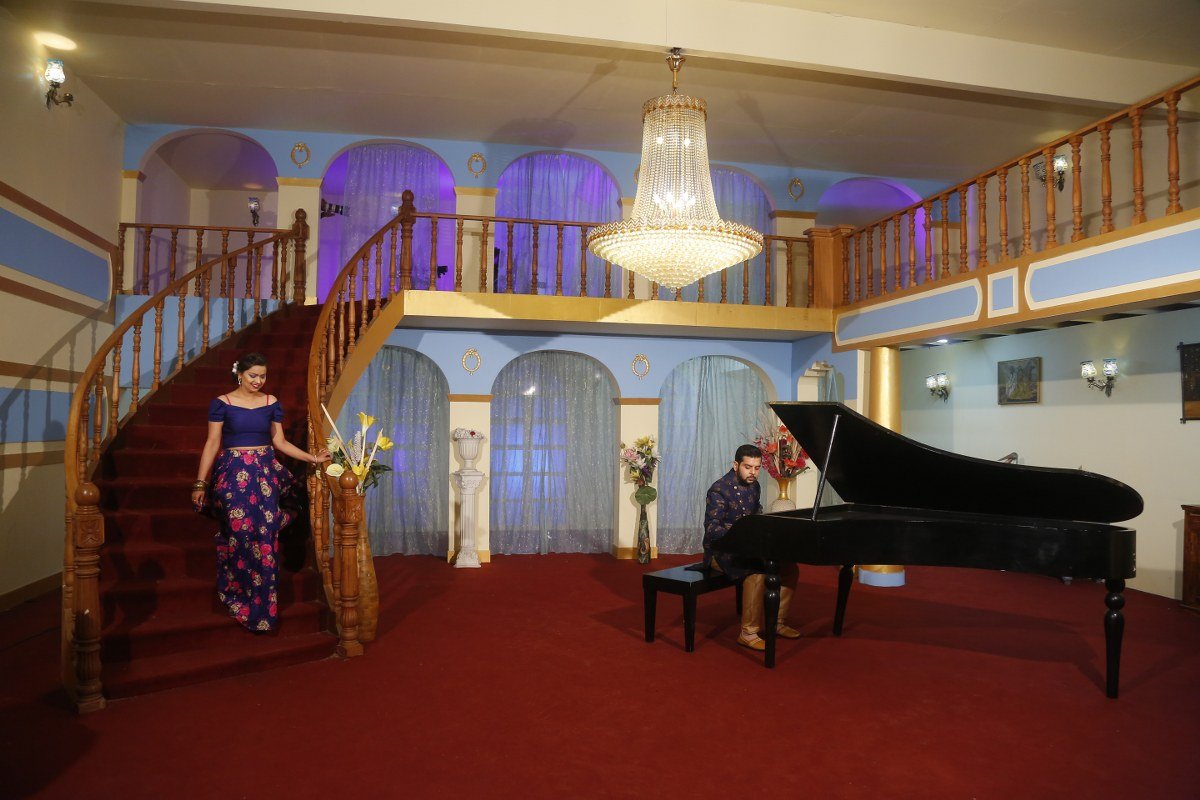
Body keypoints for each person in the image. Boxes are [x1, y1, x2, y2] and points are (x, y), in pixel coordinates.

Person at [190, 352, 330, 632]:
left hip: (265, 475)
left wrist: (312, 458)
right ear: (239, 374)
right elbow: (212, 442)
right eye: (253, 375)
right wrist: (200, 483)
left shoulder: (271, 402)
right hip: (233, 475)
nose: (258, 381)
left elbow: (280, 442)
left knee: (266, 539)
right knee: (240, 536)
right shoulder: (221, 403)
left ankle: (264, 608)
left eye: (263, 376)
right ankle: (240, 595)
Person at [703, 443, 801, 651]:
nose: (753, 473)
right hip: (721, 551)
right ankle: (748, 633)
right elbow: (712, 530)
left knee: (789, 567)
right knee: (755, 572)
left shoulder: (754, 486)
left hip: (748, 546)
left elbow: (756, 514)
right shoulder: (719, 490)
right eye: (748, 467)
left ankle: (777, 622)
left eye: (757, 468)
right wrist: (742, 533)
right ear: (735, 465)